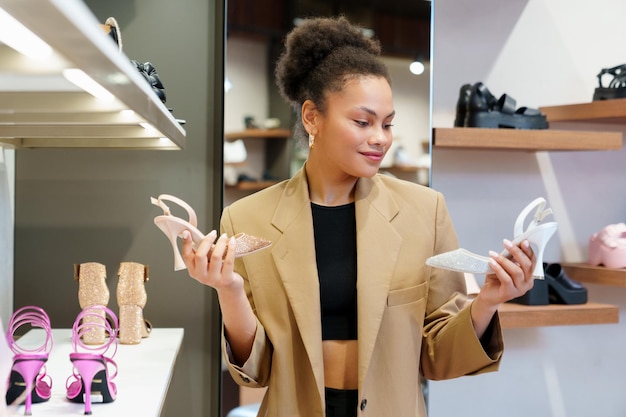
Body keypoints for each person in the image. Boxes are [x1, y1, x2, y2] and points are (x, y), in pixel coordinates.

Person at [181, 16, 536, 417]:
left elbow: (438, 356)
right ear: (312, 117)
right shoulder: (248, 218)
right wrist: (227, 288)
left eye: (387, 124)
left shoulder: (424, 210)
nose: (380, 138)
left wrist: (488, 301)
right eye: (362, 122)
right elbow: (256, 370)